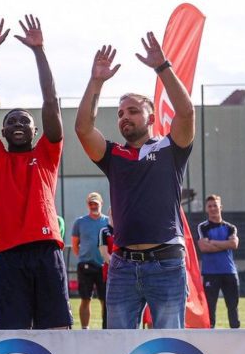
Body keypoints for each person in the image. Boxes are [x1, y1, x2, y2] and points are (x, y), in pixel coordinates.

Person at [74, 34, 195, 329]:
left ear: (151, 118)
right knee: (118, 348)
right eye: (120, 114)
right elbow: (83, 128)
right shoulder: (113, 155)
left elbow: (186, 112)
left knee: (168, 346)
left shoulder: (171, 148)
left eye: (133, 111)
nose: (124, 117)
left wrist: (162, 67)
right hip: (122, 267)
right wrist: (96, 81)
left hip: (167, 264)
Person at [0, 15, 71, 330]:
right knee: (13, 332)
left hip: (46, 249)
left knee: (56, 331)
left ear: (35, 130)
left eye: (24, 121)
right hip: (9, 254)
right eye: (11, 121)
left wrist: (39, 51)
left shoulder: (46, 154)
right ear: (2, 131)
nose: (18, 124)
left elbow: (50, 101)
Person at [197, 194, 241, 328]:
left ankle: (236, 334)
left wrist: (213, 242)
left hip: (229, 272)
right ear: (206, 209)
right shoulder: (203, 227)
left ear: (220, 207)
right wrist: (225, 244)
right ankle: (210, 335)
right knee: (210, 309)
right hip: (210, 273)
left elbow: (234, 244)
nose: (212, 208)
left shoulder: (230, 227)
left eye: (215, 205)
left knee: (233, 307)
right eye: (209, 206)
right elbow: (204, 247)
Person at [71, 192, 110, 329]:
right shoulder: (80, 222)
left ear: (101, 204)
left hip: (104, 266)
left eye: (96, 203)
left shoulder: (108, 222)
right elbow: (75, 244)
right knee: (85, 299)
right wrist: (84, 257)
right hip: (85, 266)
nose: (93, 206)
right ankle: (84, 330)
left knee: (105, 300)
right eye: (91, 204)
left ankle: (106, 329)